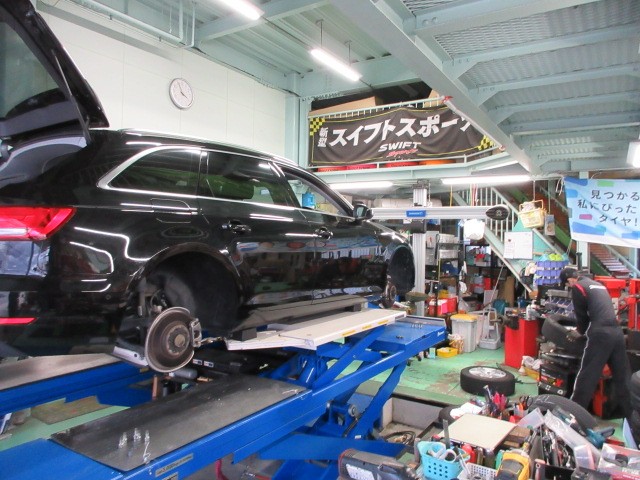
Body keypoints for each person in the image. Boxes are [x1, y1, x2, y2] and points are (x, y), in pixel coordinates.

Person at [559, 266, 631, 417]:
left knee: (587, 375)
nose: (569, 286)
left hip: (600, 334)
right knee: (623, 379)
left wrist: (579, 332)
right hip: (617, 333)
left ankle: (574, 416)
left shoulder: (578, 287)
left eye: (567, 284)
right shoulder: (598, 285)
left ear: (570, 280)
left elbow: (582, 317)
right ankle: (634, 418)